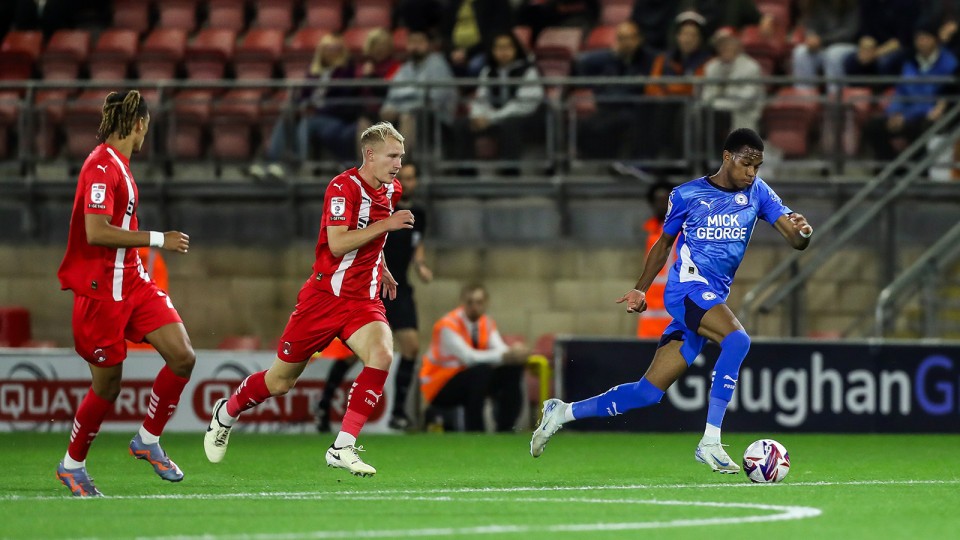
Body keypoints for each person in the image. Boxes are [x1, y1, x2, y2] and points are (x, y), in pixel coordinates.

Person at [530, 128, 814, 473]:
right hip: (686, 290)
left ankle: (561, 412)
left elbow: (795, 239)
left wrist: (804, 231)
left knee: (647, 393)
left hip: (710, 298)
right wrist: (641, 288)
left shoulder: (758, 192)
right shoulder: (688, 194)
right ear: (728, 157)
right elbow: (664, 244)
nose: (752, 173)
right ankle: (710, 441)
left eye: (757, 166)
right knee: (737, 339)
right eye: (746, 164)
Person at [204, 122, 414, 477]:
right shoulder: (340, 187)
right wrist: (387, 226)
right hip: (324, 298)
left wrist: (383, 265)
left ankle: (343, 446)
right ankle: (227, 412)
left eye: (401, 157)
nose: (399, 164)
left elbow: (371, 240)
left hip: (362, 300)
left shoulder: (392, 189)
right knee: (280, 382)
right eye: (393, 156)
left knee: (382, 354)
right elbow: (338, 243)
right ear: (370, 154)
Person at [55, 90, 194, 497]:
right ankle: (71, 464)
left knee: (183, 356)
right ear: (138, 124)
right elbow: (95, 232)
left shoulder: (119, 166)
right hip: (101, 293)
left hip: (133, 283)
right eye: (145, 128)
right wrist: (158, 239)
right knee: (107, 388)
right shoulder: (100, 166)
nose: (144, 136)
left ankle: (147, 441)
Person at [419, 284, 531, 432]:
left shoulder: (487, 323)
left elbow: (500, 349)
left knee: (512, 369)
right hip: (440, 386)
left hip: (471, 379)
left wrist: (514, 353)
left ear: (486, 303)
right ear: (462, 302)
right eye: (470, 302)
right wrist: (507, 354)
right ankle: (475, 430)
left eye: (479, 302)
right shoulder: (447, 325)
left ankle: (506, 429)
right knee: (481, 371)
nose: (474, 307)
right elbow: (469, 357)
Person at [252, 34, 361, 180]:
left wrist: (316, 110)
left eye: (335, 49)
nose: (331, 52)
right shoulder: (315, 71)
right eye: (327, 49)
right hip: (311, 111)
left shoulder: (347, 71)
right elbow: (304, 95)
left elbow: (344, 101)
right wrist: (299, 106)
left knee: (307, 120)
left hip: (332, 116)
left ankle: (299, 166)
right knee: (288, 115)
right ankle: (274, 164)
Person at [381, 162, 432, 430]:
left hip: (400, 289)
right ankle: (324, 406)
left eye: (412, 178)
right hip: (375, 288)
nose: (408, 183)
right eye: (403, 177)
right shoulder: (381, 208)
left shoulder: (418, 213)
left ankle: (398, 412)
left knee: (411, 347)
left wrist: (421, 264)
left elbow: (417, 242)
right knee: (354, 354)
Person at [863, 22, 959, 162]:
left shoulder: (949, 64)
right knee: (873, 126)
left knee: (922, 127)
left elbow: (934, 97)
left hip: (927, 113)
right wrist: (894, 112)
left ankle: (917, 171)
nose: (922, 42)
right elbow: (901, 91)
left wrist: (906, 117)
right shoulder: (909, 61)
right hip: (905, 111)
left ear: (935, 40)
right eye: (919, 38)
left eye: (926, 38)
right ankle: (888, 166)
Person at [456, 31, 544, 173]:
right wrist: (477, 116)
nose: (503, 52)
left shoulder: (528, 71)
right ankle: (466, 174)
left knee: (511, 125)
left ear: (516, 49)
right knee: (462, 124)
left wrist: (491, 118)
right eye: (498, 48)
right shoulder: (489, 71)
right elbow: (480, 98)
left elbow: (523, 105)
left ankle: (509, 174)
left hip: (527, 119)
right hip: (495, 117)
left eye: (507, 47)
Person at [379, 30, 457, 158]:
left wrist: (402, 107)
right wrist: (387, 109)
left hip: (436, 118)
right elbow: (393, 95)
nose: (415, 46)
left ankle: (395, 170)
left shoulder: (438, 64)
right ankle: (366, 174)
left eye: (419, 42)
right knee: (367, 120)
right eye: (412, 42)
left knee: (408, 117)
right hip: (405, 111)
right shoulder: (405, 68)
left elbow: (434, 99)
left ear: (428, 45)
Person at [700, 28, 764, 150]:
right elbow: (706, 97)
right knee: (699, 116)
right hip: (715, 115)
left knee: (713, 118)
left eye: (728, 43)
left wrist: (721, 95)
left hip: (742, 115)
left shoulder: (751, 67)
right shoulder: (711, 67)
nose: (724, 48)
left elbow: (745, 100)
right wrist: (724, 98)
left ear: (737, 45)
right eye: (720, 44)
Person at [790, 0, 858, 94]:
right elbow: (811, 26)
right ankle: (805, 98)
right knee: (800, 52)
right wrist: (811, 36)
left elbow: (850, 32)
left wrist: (821, 40)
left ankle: (835, 98)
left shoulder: (852, 4)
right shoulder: (817, 4)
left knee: (833, 54)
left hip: (847, 46)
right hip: (822, 46)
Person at [636, 180, 675, 339]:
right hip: (650, 320)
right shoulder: (651, 234)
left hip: (674, 317)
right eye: (658, 200)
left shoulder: (682, 232)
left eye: (665, 200)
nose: (662, 205)